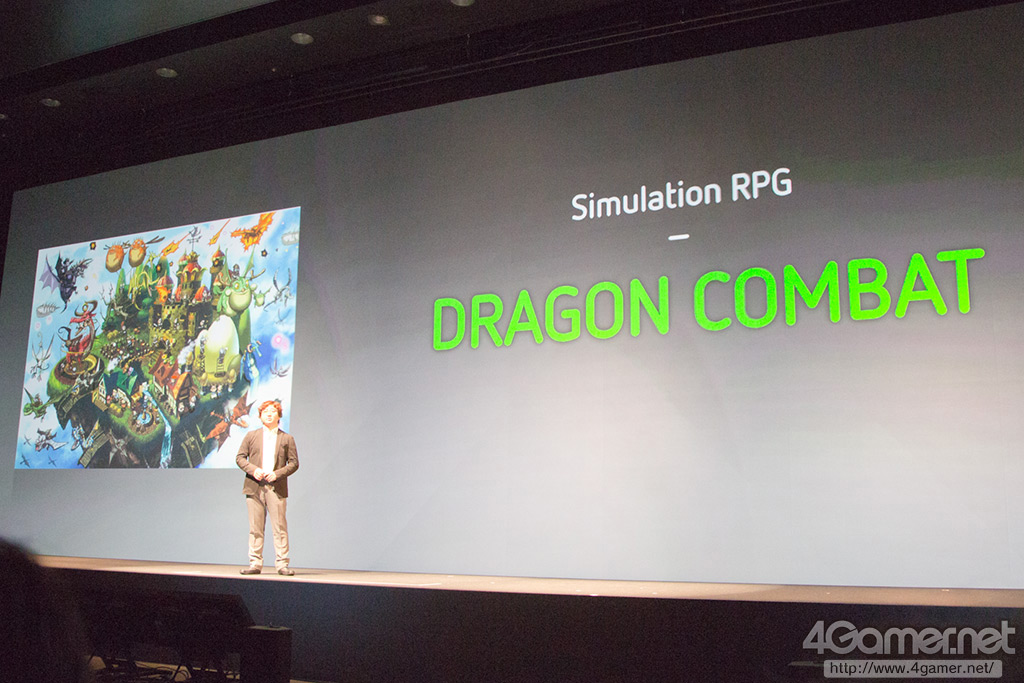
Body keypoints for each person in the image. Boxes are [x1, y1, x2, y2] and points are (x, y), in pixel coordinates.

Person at [236, 399, 299, 575]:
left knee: (279, 527)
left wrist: (277, 474)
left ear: (279, 415)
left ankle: (282, 564)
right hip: (254, 486)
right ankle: (255, 563)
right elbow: (240, 457)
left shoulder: (286, 438)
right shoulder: (251, 436)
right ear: (260, 416)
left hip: (276, 487)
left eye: (272, 411)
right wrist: (253, 470)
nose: (269, 414)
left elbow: (294, 463)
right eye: (265, 412)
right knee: (255, 528)